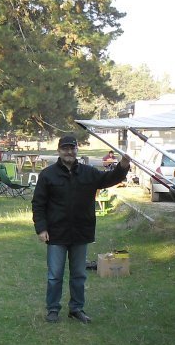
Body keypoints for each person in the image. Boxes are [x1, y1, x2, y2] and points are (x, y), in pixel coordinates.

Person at [32, 134, 130, 323]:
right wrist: (41, 228)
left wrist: (123, 166)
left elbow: (109, 179)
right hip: (56, 233)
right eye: (65, 148)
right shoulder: (47, 174)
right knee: (54, 276)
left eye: (72, 148)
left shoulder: (88, 172)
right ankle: (53, 309)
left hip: (80, 232)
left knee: (79, 275)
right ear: (59, 151)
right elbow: (38, 203)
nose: (69, 152)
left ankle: (76, 309)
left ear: (77, 150)